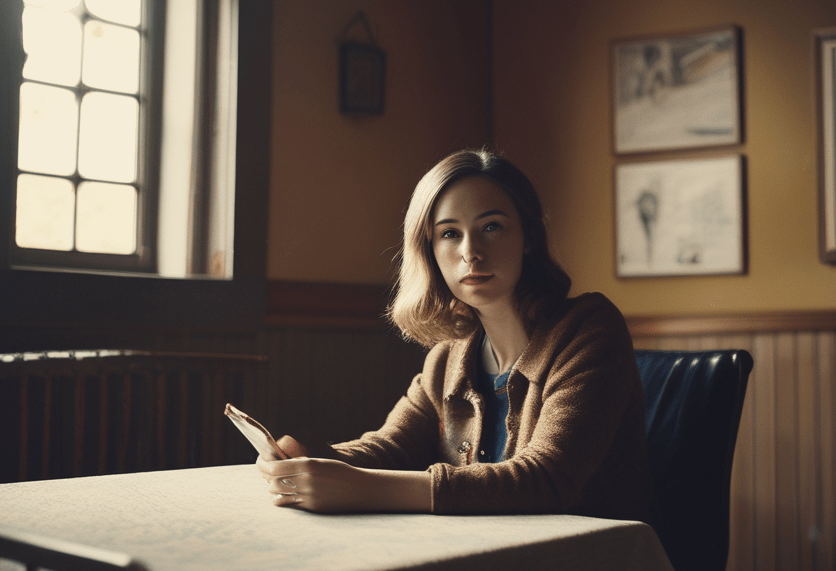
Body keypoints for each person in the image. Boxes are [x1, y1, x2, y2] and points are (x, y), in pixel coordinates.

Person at [258, 148, 650, 521]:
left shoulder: (589, 329)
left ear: (529, 237)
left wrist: (361, 488)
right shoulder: (449, 357)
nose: (471, 251)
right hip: (481, 557)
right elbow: (390, 447)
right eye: (449, 233)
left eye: (491, 227)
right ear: (429, 249)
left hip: (588, 568)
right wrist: (307, 460)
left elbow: (546, 480)